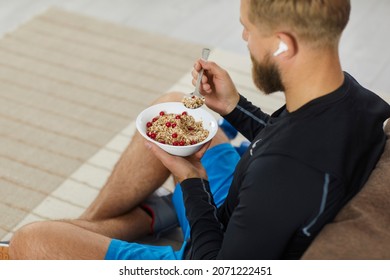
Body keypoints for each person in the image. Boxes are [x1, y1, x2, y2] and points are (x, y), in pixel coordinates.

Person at [6, 0, 390, 260]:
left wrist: (190, 181)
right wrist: (234, 107)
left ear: (281, 45)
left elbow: (214, 264)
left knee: (30, 241)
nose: (245, 39)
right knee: (173, 104)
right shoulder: (355, 99)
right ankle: (116, 221)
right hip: (242, 203)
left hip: (207, 248)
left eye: (248, 29)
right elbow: (282, 137)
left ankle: (146, 217)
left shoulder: (286, 173)